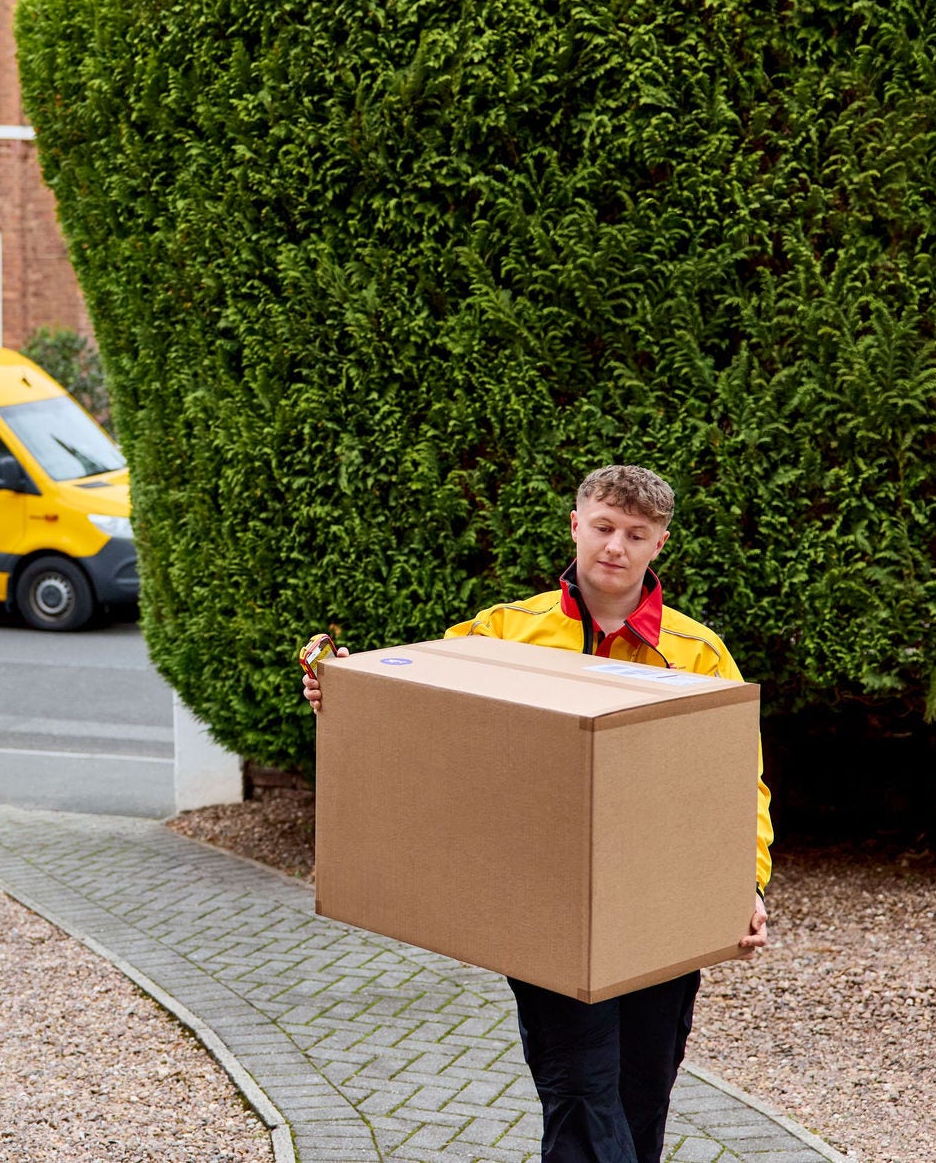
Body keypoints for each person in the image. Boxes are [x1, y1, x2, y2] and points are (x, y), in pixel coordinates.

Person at [302, 464, 772, 1163]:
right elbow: (425, 708)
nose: (615, 546)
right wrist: (343, 689)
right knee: (578, 1088)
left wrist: (746, 885)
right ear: (576, 525)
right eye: (604, 527)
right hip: (548, 904)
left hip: (659, 900)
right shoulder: (502, 632)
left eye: (635, 534)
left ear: (659, 545)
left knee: (644, 1090)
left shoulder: (697, 653)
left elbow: (740, 782)